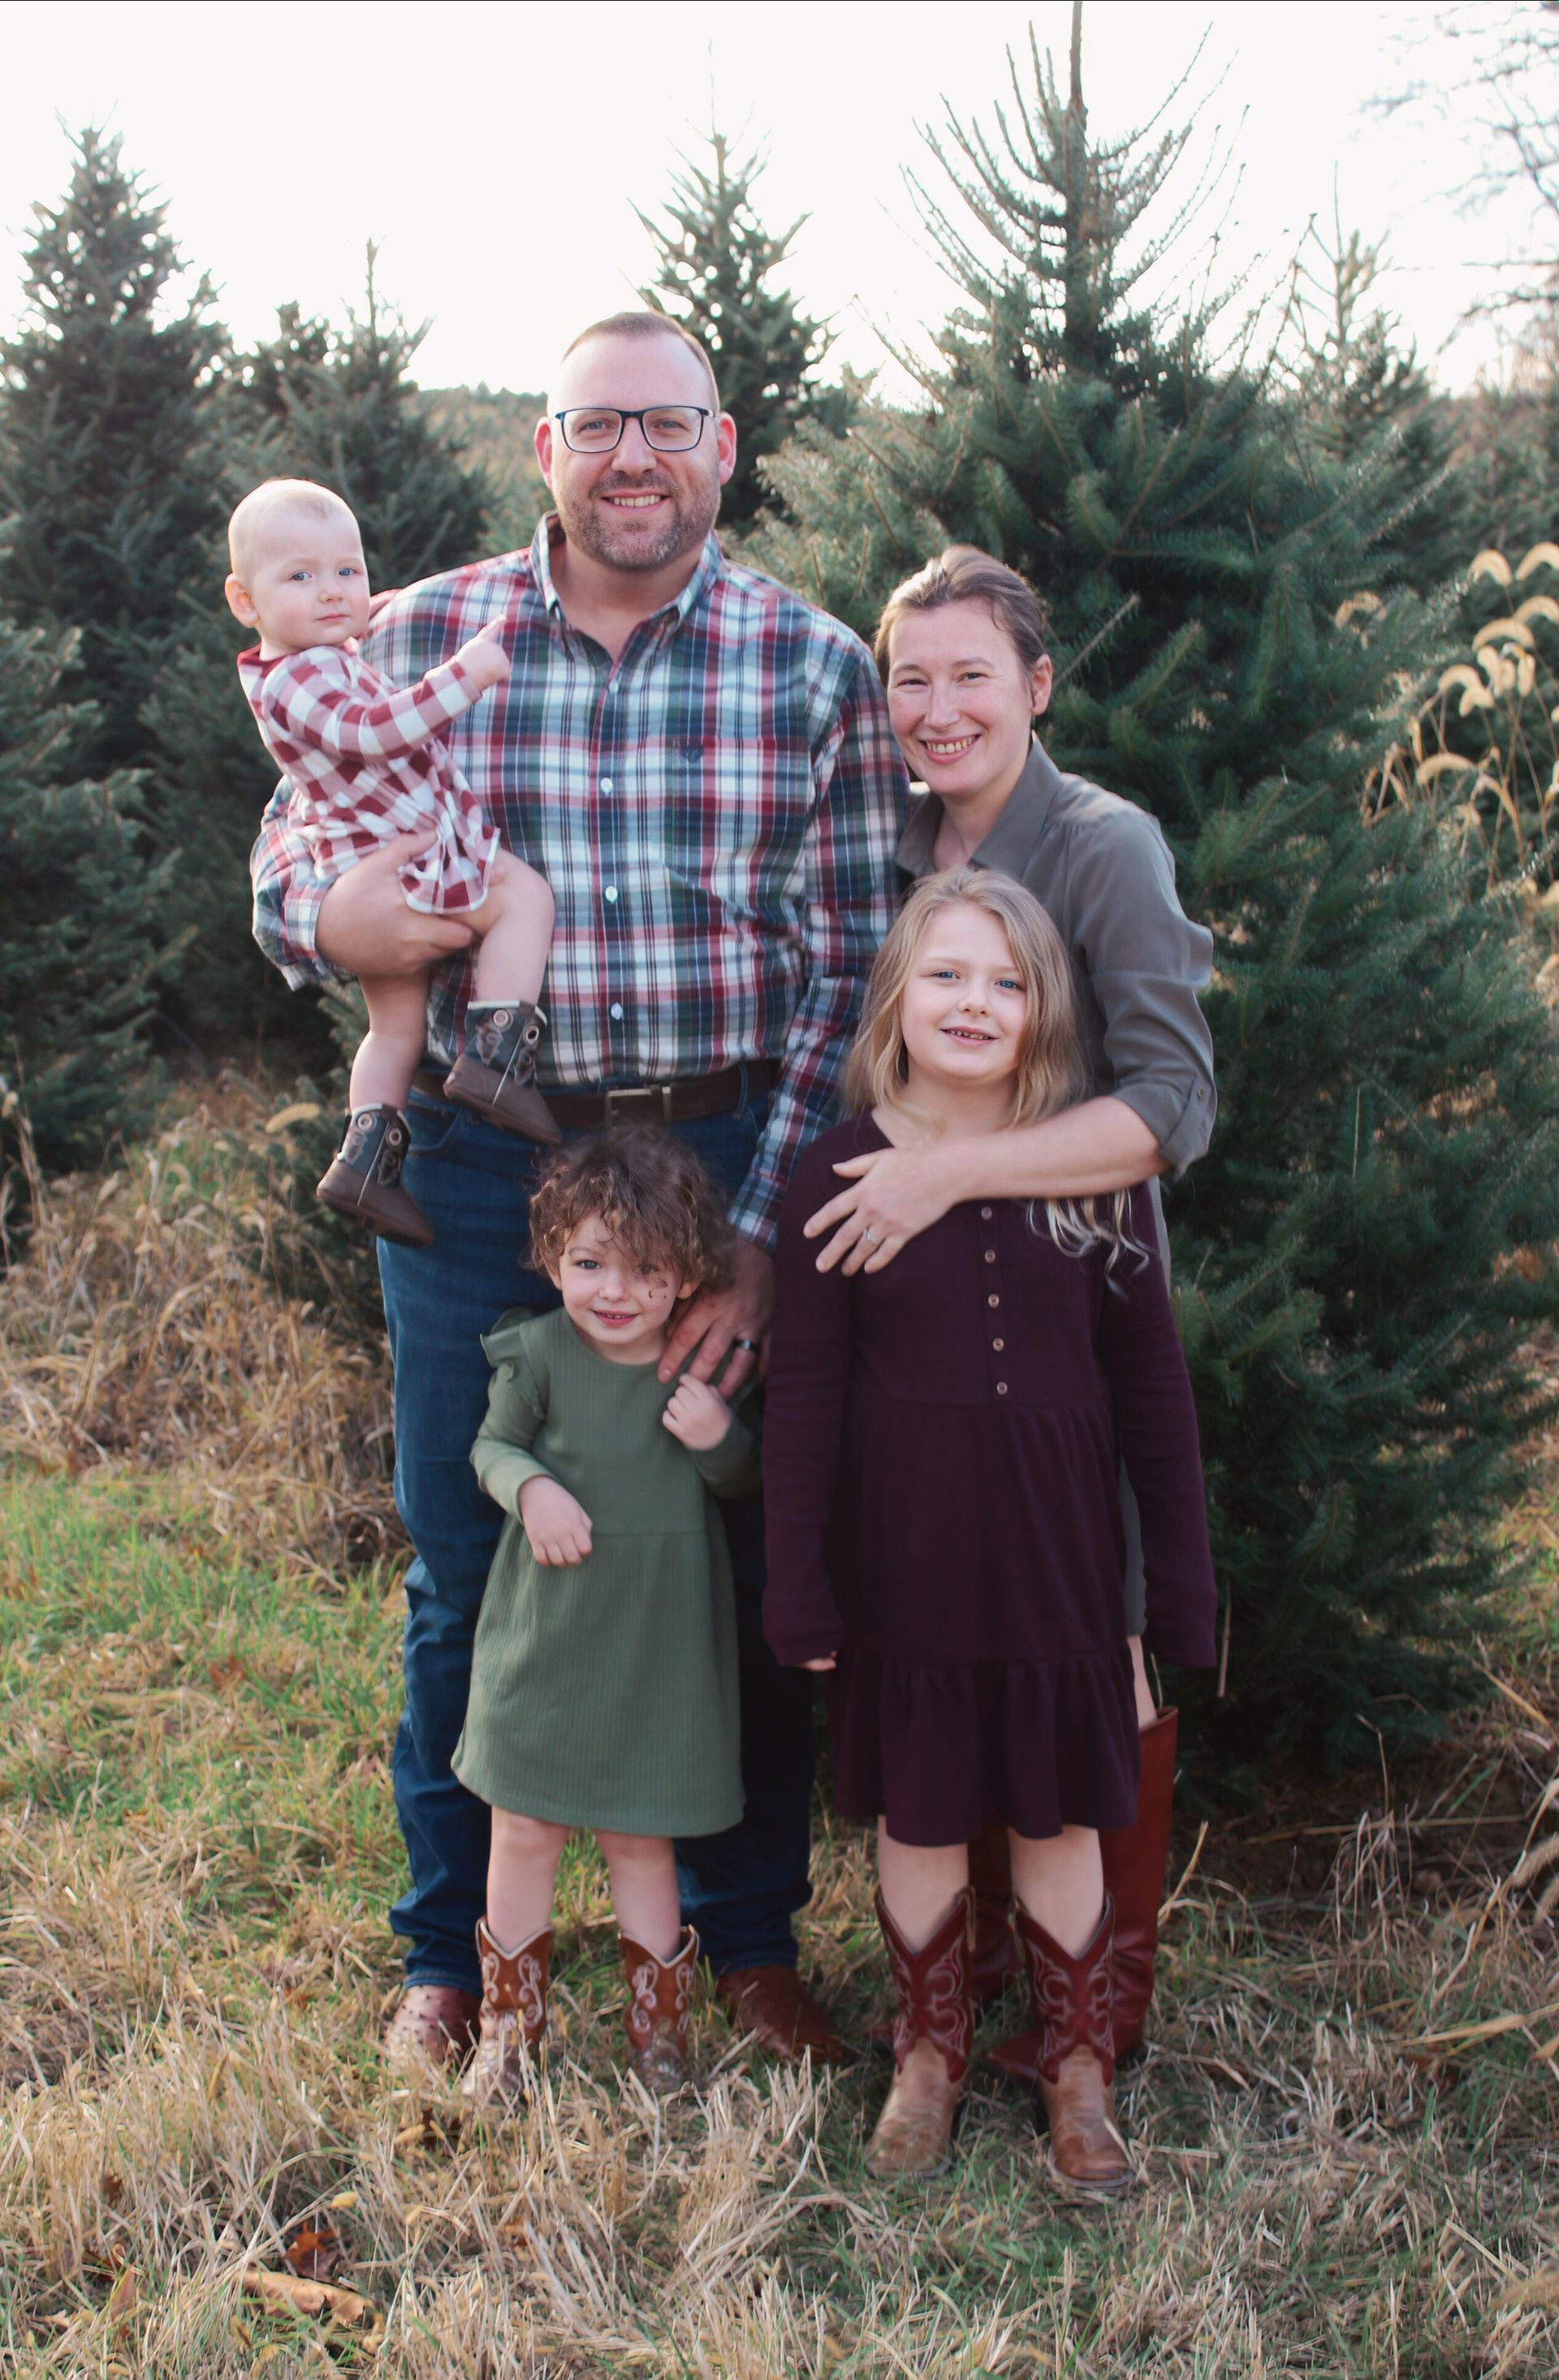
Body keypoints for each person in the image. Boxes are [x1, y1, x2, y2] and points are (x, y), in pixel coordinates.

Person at [250, 312, 909, 2078]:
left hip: (705, 1154)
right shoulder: (423, 630)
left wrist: (762, 1236)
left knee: (726, 1545)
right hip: (481, 1164)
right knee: (471, 1559)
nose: (634, 457)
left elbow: (849, 975)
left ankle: (748, 1937)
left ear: (724, 440)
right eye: (598, 424)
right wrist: (337, 922)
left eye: (667, 426)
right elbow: (291, 846)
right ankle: (457, 1953)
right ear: (544, 445)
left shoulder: (813, 665)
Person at [805, 547, 1217, 2074]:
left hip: (1076, 1306)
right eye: (909, 678)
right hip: (920, 1320)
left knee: (1093, 1637)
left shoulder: (1104, 845)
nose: (936, 706)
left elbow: (1174, 1104)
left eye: (970, 673)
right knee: (938, 1632)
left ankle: (1093, 2018)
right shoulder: (892, 844)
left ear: (1037, 687)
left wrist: (958, 1181)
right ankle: (951, 1998)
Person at [764, 869, 1218, 2188]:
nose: (976, 1002)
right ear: (899, 993)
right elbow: (802, 1402)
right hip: (906, 1565)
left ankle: (1079, 2065)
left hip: (1063, 1570)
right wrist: (801, 1583)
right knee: (918, 1812)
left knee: (1064, 1822)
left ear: (1044, 1010)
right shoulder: (831, 1175)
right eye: (949, 974)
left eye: (1008, 982)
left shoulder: (1090, 1169)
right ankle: (929, 2052)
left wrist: (1173, 1596)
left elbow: (1153, 1393)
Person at [456, 1132, 759, 2102]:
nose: (614, 1292)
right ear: (552, 1260)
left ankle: (658, 2039)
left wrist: (722, 1438)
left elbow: (744, 1481)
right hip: (549, 1636)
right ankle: (509, 2033)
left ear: (688, 1277)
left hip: (656, 1644)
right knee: (524, 1828)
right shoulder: (539, 1351)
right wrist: (531, 1489)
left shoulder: (690, 1366)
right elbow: (493, 1448)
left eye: (646, 1270)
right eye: (588, 1264)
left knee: (642, 1840)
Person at [227, 479, 559, 1247]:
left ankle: (367, 1161)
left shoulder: (302, 658)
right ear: (245, 601)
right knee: (522, 898)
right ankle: (498, 1058)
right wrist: (467, 673)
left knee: (395, 1029)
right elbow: (379, 726)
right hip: (401, 857)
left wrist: (369, 608)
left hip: (368, 859)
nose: (333, 591)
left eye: (348, 571)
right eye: (301, 577)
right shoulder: (300, 681)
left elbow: (344, 648)